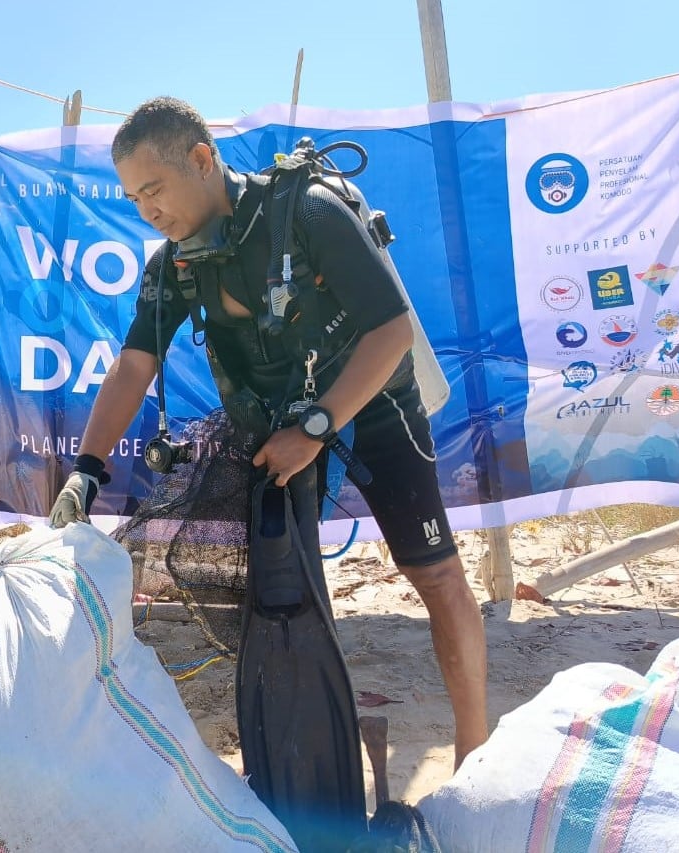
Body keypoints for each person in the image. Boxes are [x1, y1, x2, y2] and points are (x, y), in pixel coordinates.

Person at [48, 96, 488, 771]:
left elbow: (392, 330)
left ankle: (473, 750)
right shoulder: (175, 267)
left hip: (372, 401)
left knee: (436, 576)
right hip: (273, 424)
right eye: (135, 197)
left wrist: (317, 426)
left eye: (155, 189)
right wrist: (87, 467)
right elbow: (135, 363)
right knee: (278, 589)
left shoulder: (306, 211)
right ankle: (296, 750)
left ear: (202, 159)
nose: (147, 210)